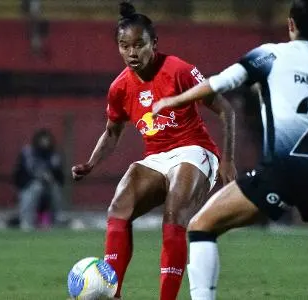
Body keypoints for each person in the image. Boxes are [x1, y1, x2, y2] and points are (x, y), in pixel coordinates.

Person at [152, 0, 308, 299]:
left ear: (291, 25)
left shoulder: (270, 55)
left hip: (284, 170)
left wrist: (174, 101)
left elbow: (218, 83)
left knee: (202, 226)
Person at [70, 2, 236, 300]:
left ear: (154, 43)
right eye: (124, 46)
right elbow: (112, 132)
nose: (131, 53)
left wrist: (228, 159)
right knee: (119, 207)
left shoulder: (179, 71)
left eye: (138, 45)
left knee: (173, 215)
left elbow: (226, 109)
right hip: (157, 158)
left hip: (195, 150)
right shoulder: (120, 87)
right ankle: (113, 293)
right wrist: (91, 163)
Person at [13, 128, 64, 231]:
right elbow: (18, 175)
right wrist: (35, 179)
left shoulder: (54, 156)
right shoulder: (27, 154)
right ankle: (27, 221)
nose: (45, 143)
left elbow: (60, 178)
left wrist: (51, 178)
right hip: (29, 187)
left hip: (48, 189)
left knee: (55, 189)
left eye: (47, 140)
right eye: (42, 140)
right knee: (36, 188)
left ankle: (57, 220)